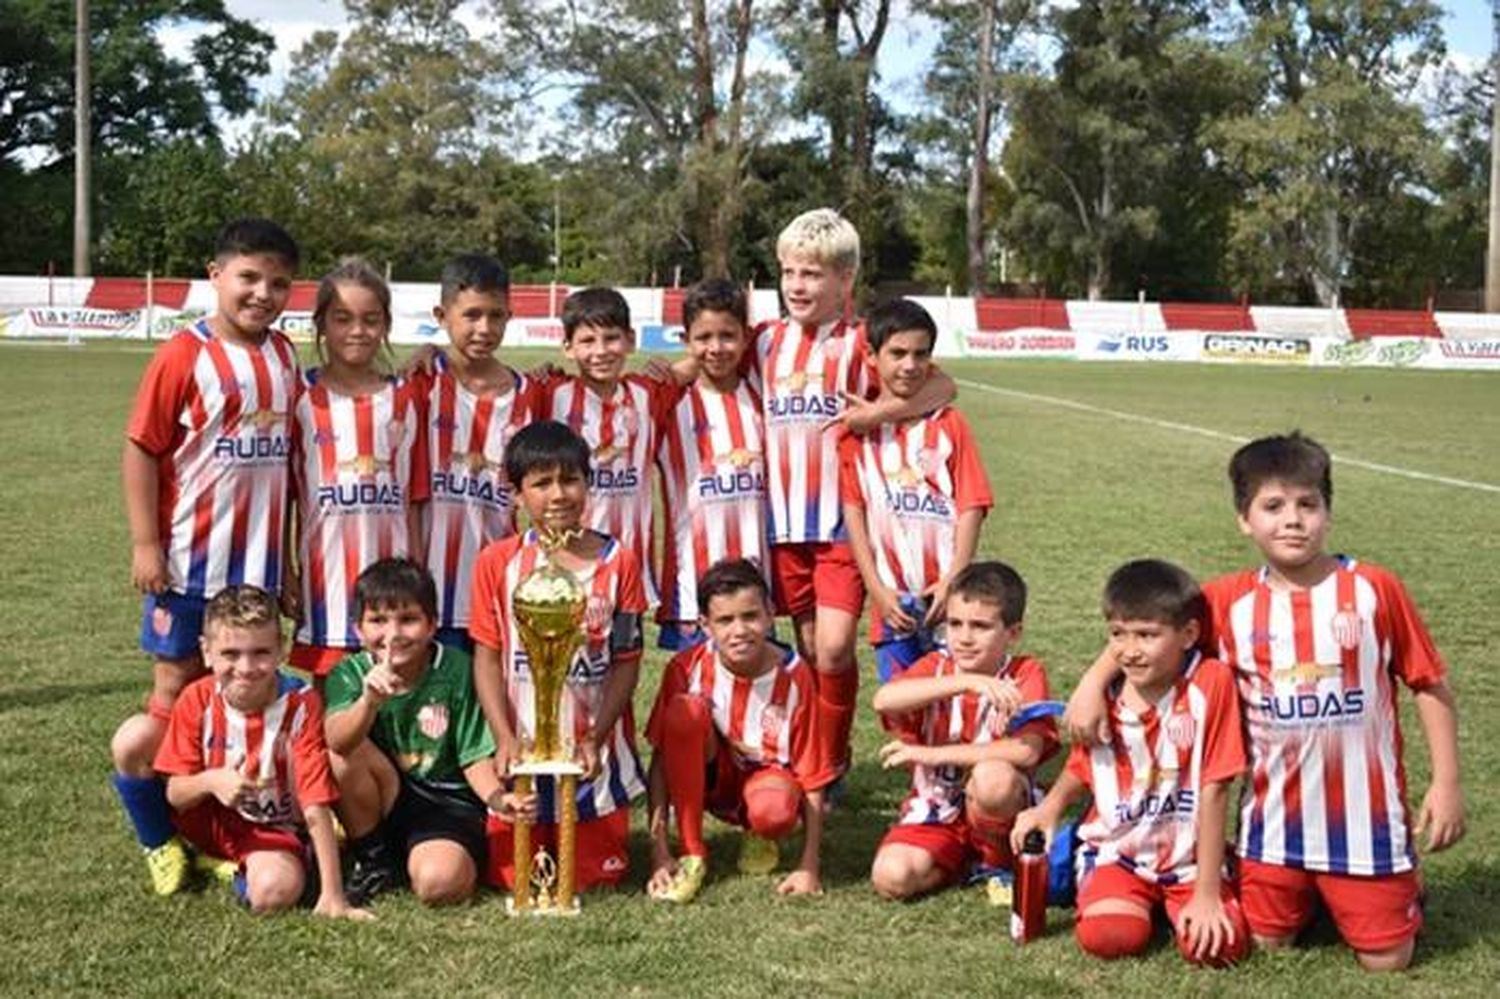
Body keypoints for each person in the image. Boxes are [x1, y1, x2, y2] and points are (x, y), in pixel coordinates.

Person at [1063, 433, 1467, 971]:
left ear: (1328, 511)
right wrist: (1094, 681)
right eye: (1273, 506)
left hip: (1366, 822)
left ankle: (1397, 886)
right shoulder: (1227, 601)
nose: (1293, 520)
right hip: (1271, 827)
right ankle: (1314, 893)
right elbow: (1149, 628)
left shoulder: (1373, 590)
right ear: (1244, 520)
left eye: (1308, 504)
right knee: (1264, 943)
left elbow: (1428, 682)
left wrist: (1446, 782)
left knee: (1387, 961)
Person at [111, 218, 302, 895]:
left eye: (278, 282)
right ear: (216, 274)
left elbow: (286, 469)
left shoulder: (284, 356)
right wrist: (145, 542)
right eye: (249, 277)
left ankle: (216, 833)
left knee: (242, 704)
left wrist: (289, 565)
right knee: (174, 695)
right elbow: (142, 446)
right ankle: (160, 835)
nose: (263, 292)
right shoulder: (183, 353)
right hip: (189, 566)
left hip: (256, 574)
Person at [1014, 560, 1249, 966]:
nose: (1130, 649)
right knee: (1110, 936)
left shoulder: (1211, 683)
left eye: (1147, 635)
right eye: (1118, 635)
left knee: (1219, 949)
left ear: (1189, 634)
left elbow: (1215, 786)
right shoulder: (1105, 695)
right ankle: (1128, 898)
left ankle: (1180, 902)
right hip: (1119, 852)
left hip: (1189, 861)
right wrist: (1049, 808)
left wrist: (1208, 894)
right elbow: (1085, 764)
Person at [469, 420, 648, 891]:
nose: (558, 495)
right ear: (516, 494)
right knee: (516, 881)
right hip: (523, 750)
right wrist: (503, 736)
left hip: (591, 755)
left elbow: (628, 660)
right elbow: (487, 658)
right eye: (541, 483)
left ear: (589, 484)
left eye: (570, 479)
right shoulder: (496, 563)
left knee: (592, 880)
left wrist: (597, 737)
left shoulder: (619, 562)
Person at [153, 585, 368, 919]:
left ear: (281, 651)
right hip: (211, 821)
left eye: (261, 653)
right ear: (206, 652)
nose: (246, 667)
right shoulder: (196, 699)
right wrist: (211, 781)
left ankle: (250, 866)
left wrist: (332, 894)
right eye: (230, 654)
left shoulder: (302, 705)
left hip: (271, 825)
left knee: (272, 894)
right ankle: (214, 857)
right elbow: (175, 794)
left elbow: (314, 800)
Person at [324, 558, 522, 905]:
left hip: (446, 805)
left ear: (432, 625)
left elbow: (473, 756)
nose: (393, 634)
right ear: (358, 629)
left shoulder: (458, 669)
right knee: (341, 755)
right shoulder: (349, 673)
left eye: (408, 619)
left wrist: (496, 799)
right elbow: (337, 742)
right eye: (378, 620)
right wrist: (368, 702)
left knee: (439, 885)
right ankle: (374, 859)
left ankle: (430, 856)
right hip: (385, 792)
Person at [644, 558, 833, 903]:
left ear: (770, 613)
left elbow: (813, 775)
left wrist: (809, 866)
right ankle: (692, 853)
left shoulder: (796, 675)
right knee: (685, 712)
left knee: (772, 811)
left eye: (750, 616)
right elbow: (661, 761)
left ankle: (758, 832)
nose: (739, 630)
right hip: (709, 779)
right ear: (705, 625)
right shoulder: (686, 668)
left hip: (766, 779)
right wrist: (659, 852)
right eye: (725, 620)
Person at [869, 562, 1057, 902]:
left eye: (981, 626)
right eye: (955, 624)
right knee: (890, 878)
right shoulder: (937, 668)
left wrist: (930, 755)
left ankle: (994, 862)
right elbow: (884, 700)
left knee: (993, 779)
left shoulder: (1024, 672)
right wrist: (967, 681)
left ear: (1012, 633)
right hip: (936, 805)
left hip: (996, 803)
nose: (965, 638)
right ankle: (956, 860)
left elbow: (1026, 751)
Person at [285, 259, 428, 681]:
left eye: (370, 319)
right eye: (342, 319)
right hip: (324, 579)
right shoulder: (301, 397)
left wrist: (418, 568)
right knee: (332, 705)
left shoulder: (405, 397)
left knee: (396, 700)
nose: (357, 330)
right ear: (321, 324)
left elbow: (414, 497)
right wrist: (286, 573)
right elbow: (286, 496)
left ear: (385, 325)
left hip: (395, 581)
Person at [840, 298, 992, 684]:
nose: (910, 365)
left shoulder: (950, 424)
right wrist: (876, 589)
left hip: (948, 599)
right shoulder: (855, 434)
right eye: (898, 353)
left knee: (955, 704)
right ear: (872, 356)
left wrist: (953, 580)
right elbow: (854, 515)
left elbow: (971, 505)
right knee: (901, 711)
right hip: (892, 602)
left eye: (920, 354)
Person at [418, 254, 544, 651]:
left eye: (496, 316)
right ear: (442, 315)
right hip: (423, 588)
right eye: (471, 315)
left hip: (495, 586)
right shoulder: (419, 383)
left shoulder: (531, 394)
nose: (484, 328)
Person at [653, 278, 772, 649]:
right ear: (685, 340)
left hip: (755, 593)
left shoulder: (764, 398)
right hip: (691, 592)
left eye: (728, 336)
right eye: (704, 338)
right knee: (696, 702)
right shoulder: (665, 404)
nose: (716, 347)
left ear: (746, 337)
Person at [543, 286, 668, 607]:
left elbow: (699, 363)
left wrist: (670, 367)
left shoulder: (648, 393)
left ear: (630, 340)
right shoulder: (550, 395)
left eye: (611, 338)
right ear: (568, 348)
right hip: (565, 566)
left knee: (625, 656)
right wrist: (430, 351)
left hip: (630, 565)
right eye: (587, 341)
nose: (600, 351)